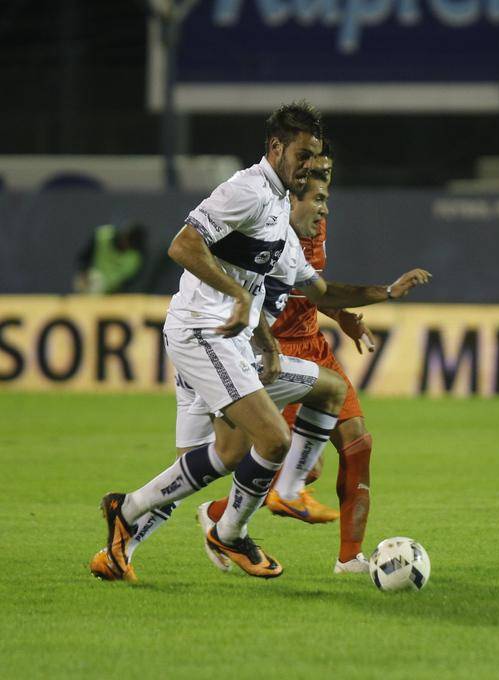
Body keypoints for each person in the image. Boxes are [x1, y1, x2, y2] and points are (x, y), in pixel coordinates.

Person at [91, 101, 326, 581]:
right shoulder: (247, 190)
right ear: (276, 148)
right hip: (202, 329)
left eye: (313, 157)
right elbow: (183, 245)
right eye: (301, 155)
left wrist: (264, 339)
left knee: (226, 453)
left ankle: (123, 521)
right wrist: (236, 298)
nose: (308, 166)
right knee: (274, 438)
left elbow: (249, 281)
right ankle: (230, 533)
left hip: (226, 336)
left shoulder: (279, 201)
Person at [194, 167, 431, 574]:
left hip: (314, 344)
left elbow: (311, 288)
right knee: (305, 467)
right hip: (275, 350)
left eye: (327, 197)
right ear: (291, 196)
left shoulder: (314, 229)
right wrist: (381, 294)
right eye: (318, 198)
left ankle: (350, 558)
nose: (324, 209)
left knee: (358, 443)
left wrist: (342, 315)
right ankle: (219, 514)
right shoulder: (264, 230)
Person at [74, 221, 147, 293]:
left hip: (114, 295)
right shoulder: (103, 236)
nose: (127, 246)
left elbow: (131, 282)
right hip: (90, 287)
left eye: (132, 245)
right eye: (128, 241)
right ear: (125, 235)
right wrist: (84, 272)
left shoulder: (136, 256)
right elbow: (83, 259)